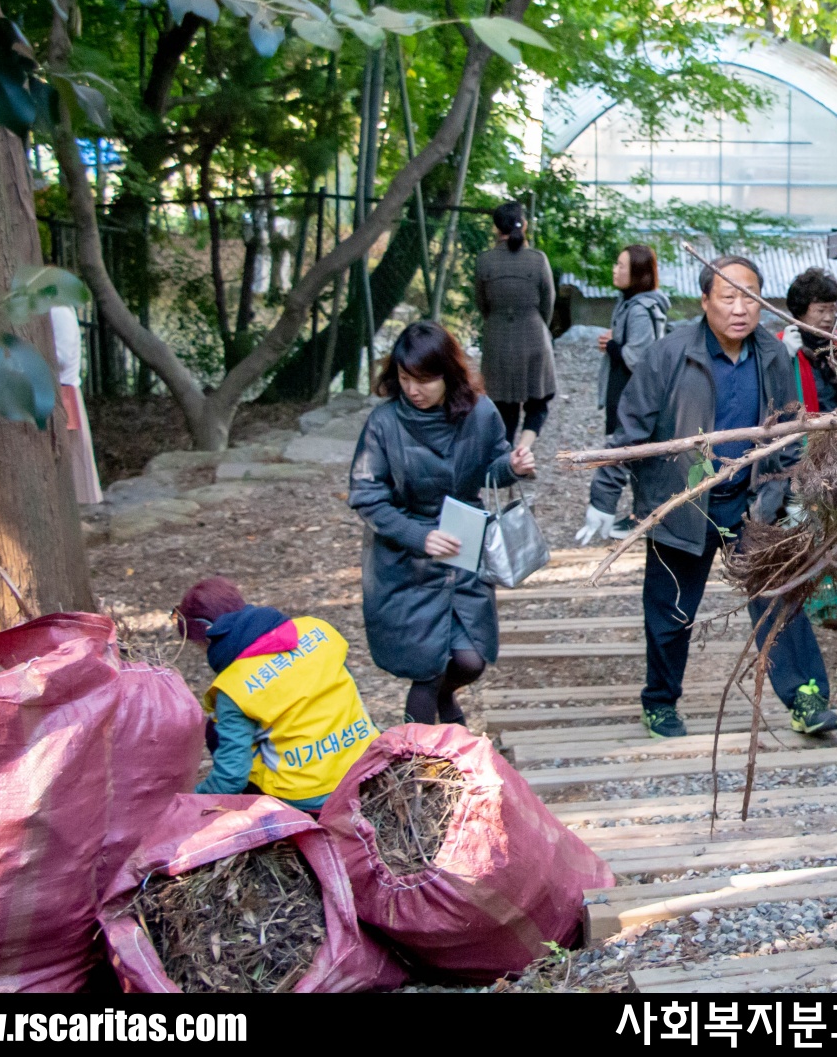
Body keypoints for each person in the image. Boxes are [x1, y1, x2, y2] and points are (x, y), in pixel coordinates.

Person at [576, 256, 837, 739]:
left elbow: (787, 430)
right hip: (684, 503)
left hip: (752, 503)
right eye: (728, 297)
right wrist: (603, 496)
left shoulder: (772, 354)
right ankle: (660, 702)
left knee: (778, 597)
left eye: (750, 297)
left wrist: (786, 491)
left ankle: (806, 697)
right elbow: (630, 432)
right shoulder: (669, 354)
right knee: (671, 611)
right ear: (704, 301)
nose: (740, 309)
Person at [348, 321, 534, 725]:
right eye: (404, 379)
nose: (413, 390)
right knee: (427, 669)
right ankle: (418, 758)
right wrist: (419, 536)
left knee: (471, 659)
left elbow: (491, 466)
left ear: (448, 374)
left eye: (424, 380)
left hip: (464, 546)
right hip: (406, 561)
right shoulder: (384, 423)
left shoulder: (480, 412)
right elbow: (366, 495)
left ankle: (446, 700)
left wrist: (512, 467)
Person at [177, 577, 378, 812]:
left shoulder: (234, 687)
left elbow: (232, 778)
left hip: (309, 794)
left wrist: (192, 802)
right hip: (367, 765)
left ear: (207, 636)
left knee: (216, 729)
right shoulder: (317, 630)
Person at [592, 244, 672, 536]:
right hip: (625, 388)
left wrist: (613, 346)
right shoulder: (629, 302)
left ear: (637, 273)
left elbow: (638, 357)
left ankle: (642, 515)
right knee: (633, 451)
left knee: (633, 451)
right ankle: (639, 512)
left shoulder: (639, 309)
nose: (615, 270)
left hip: (632, 390)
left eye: (621, 266)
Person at [476, 201, 559, 449]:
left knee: (503, 406)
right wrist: (538, 325)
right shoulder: (538, 260)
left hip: (497, 338)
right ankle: (523, 449)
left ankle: (505, 454)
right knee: (538, 401)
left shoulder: (484, 261)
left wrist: (496, 320)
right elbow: (548, 302)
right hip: (533, 336)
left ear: (495, 228)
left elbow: (481, 303)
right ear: (524, 225)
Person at [780, 267, 837, 412]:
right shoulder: (782, 345)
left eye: (832, 309)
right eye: (821, 310)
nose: (828, 318)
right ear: (800, 311)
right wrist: (783, 357)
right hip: (806, 424)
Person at [48, 305, 102, 505]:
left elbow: (60, 359)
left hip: (63, 392)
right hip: (55, 389)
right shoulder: (53, 309)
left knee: (67, 453)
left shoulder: (59, 310)